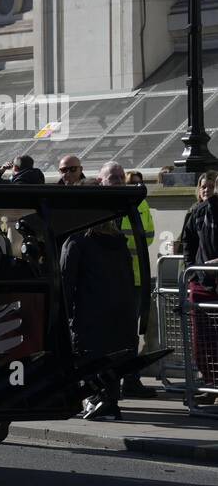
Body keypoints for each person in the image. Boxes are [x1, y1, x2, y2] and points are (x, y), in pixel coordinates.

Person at [60, 220, 138, 419]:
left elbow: (65, 281)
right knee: (113, 356)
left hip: (89, 311)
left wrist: (63, 314)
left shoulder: (76, 242)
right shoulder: (119, 243)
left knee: (88, 357)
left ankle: (99, 398)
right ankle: (110, 401)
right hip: (121, 311)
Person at [101, 161, 156, 396]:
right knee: (103, 335)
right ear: (101, 180)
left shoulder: (138, 202)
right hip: (103, 282)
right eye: (112, 176)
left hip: (132, 280)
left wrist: (118, 239)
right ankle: (104, 384)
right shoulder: (94, 202)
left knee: (129, 335)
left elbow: (149, 237)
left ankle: (130, 381)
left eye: (119, 175)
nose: (117, 179)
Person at [180, 170, 218, 399]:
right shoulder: (196, 212)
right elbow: (187, 243)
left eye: (211, 186)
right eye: (204, 187)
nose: (208, 190)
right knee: (202, 339)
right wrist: (192, 272)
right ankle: (210, 383)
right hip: (202, 283)